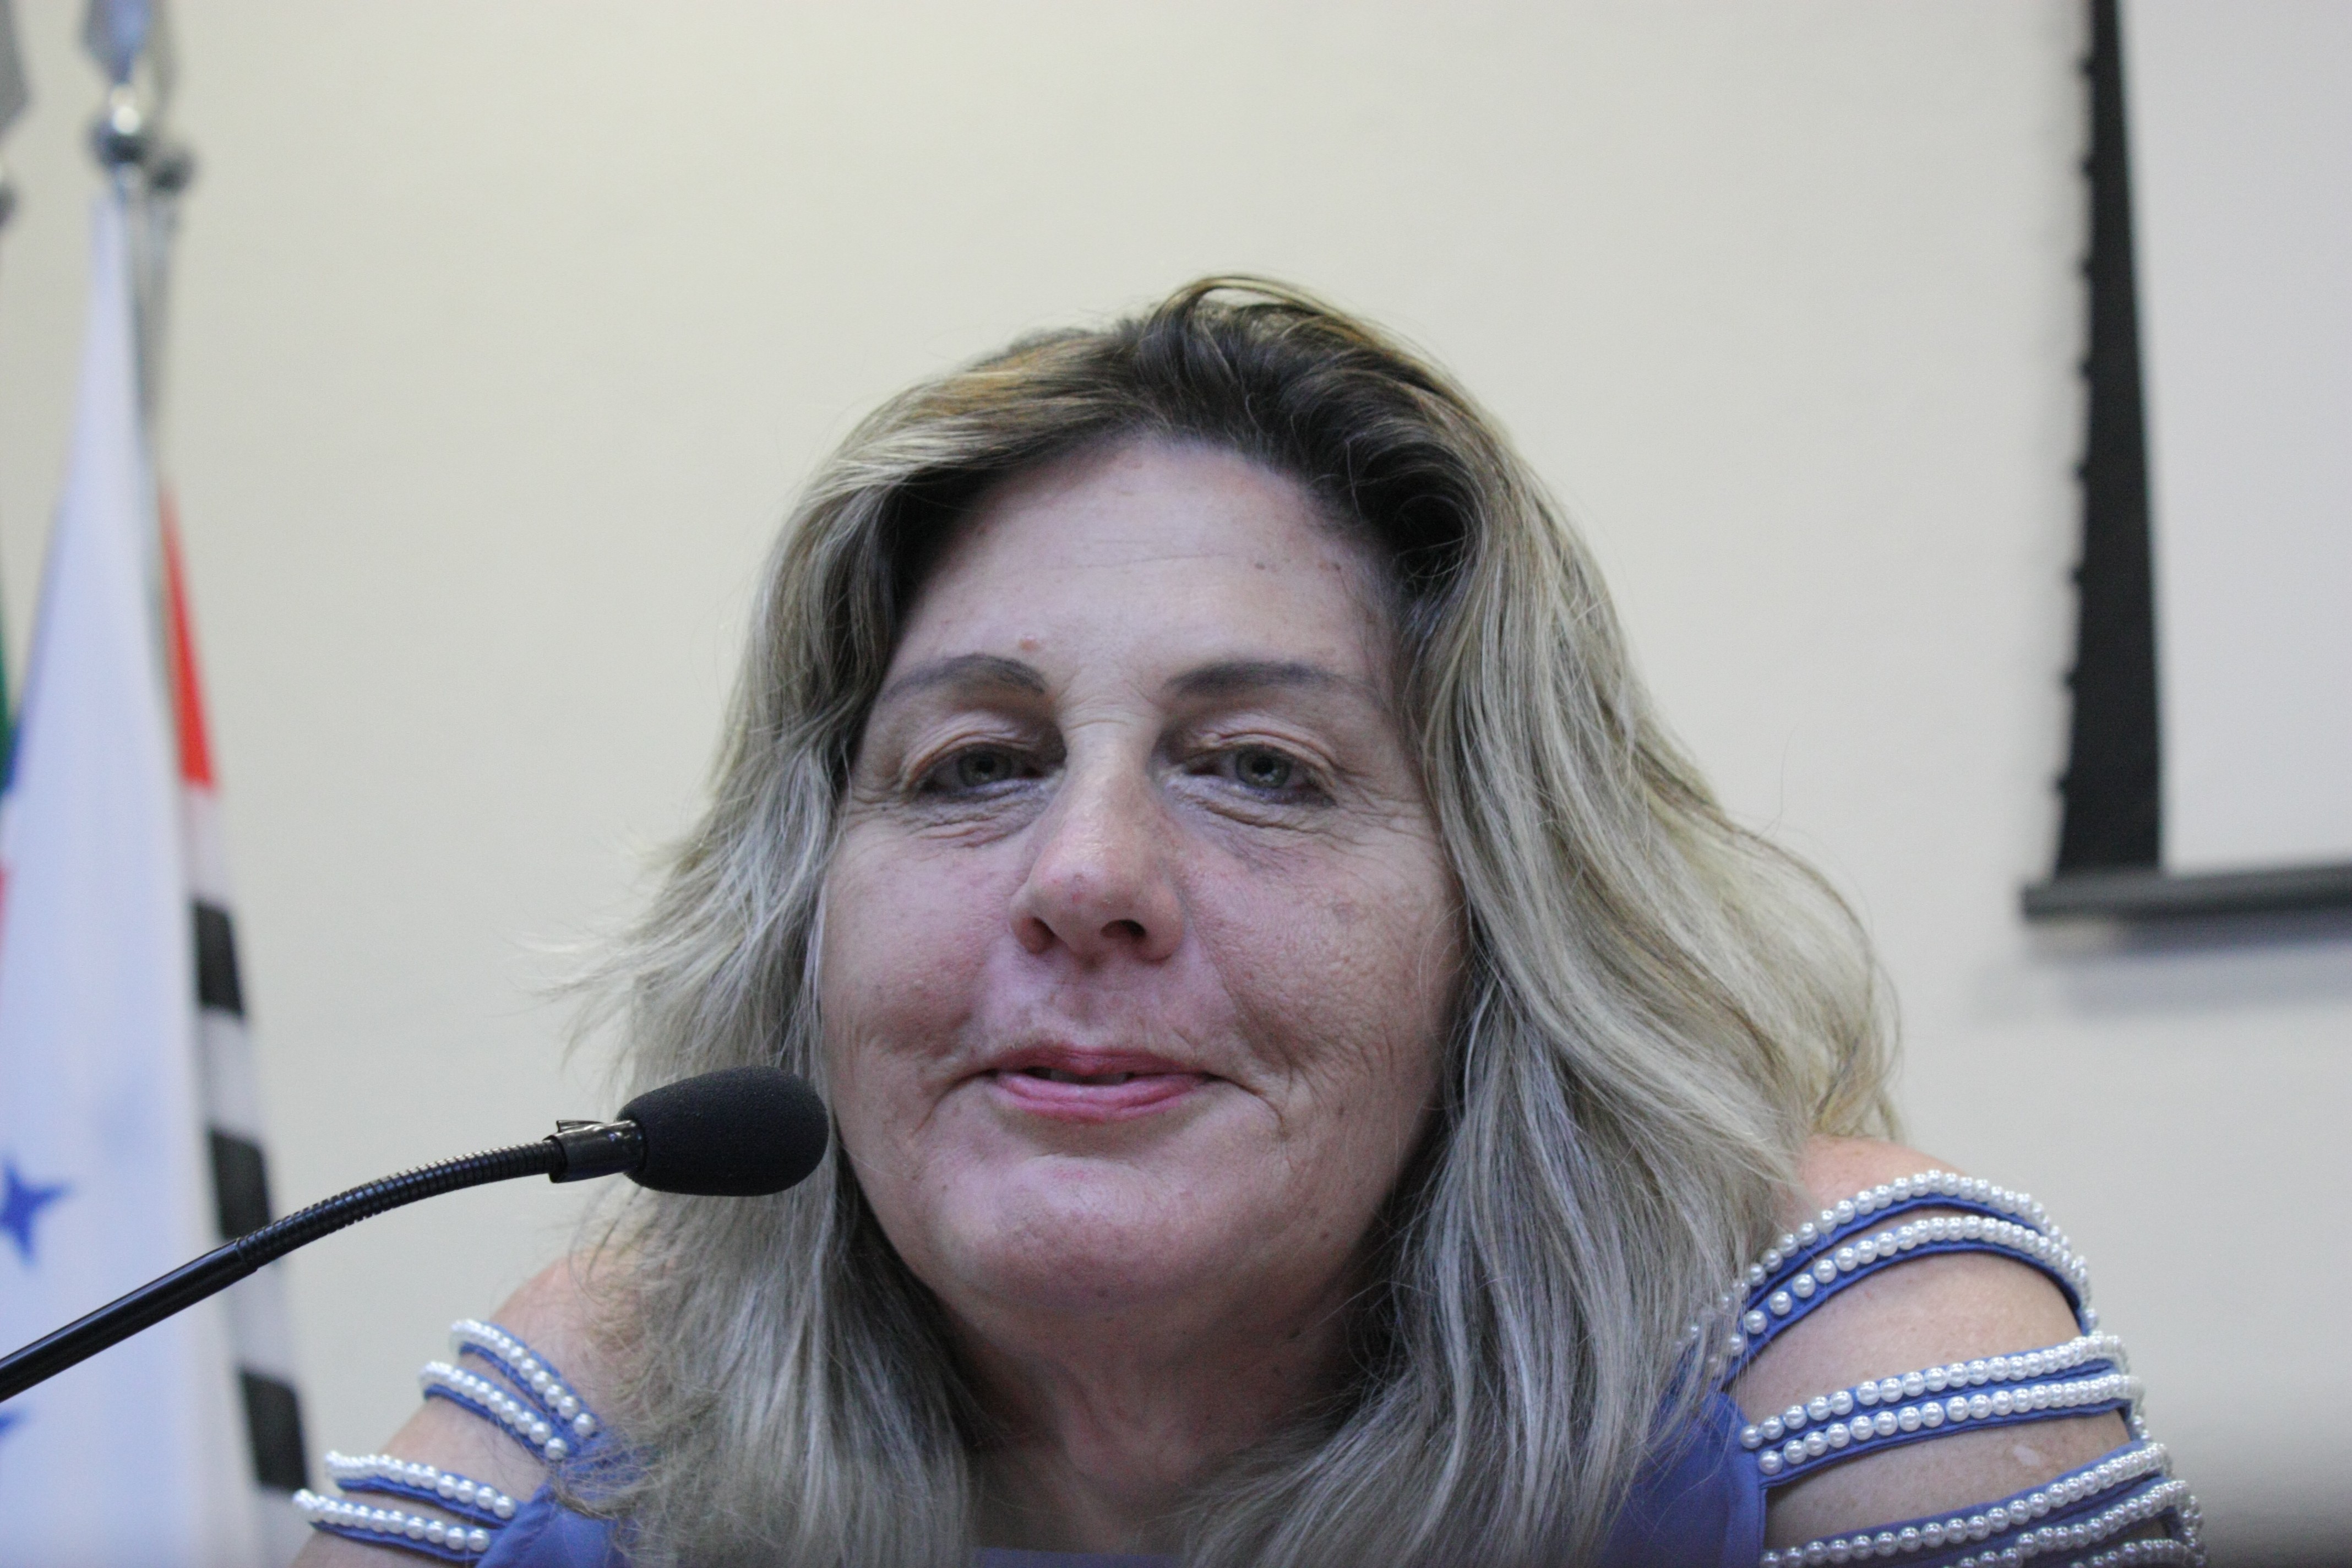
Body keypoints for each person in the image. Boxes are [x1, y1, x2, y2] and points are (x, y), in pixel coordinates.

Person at [291, 281, 2199, 1568]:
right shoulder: (617, 1399)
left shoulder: (1843, 1339)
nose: (1085, 877)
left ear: (1500, 913)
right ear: (804, 906)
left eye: (1262, 769)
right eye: (974, 765)